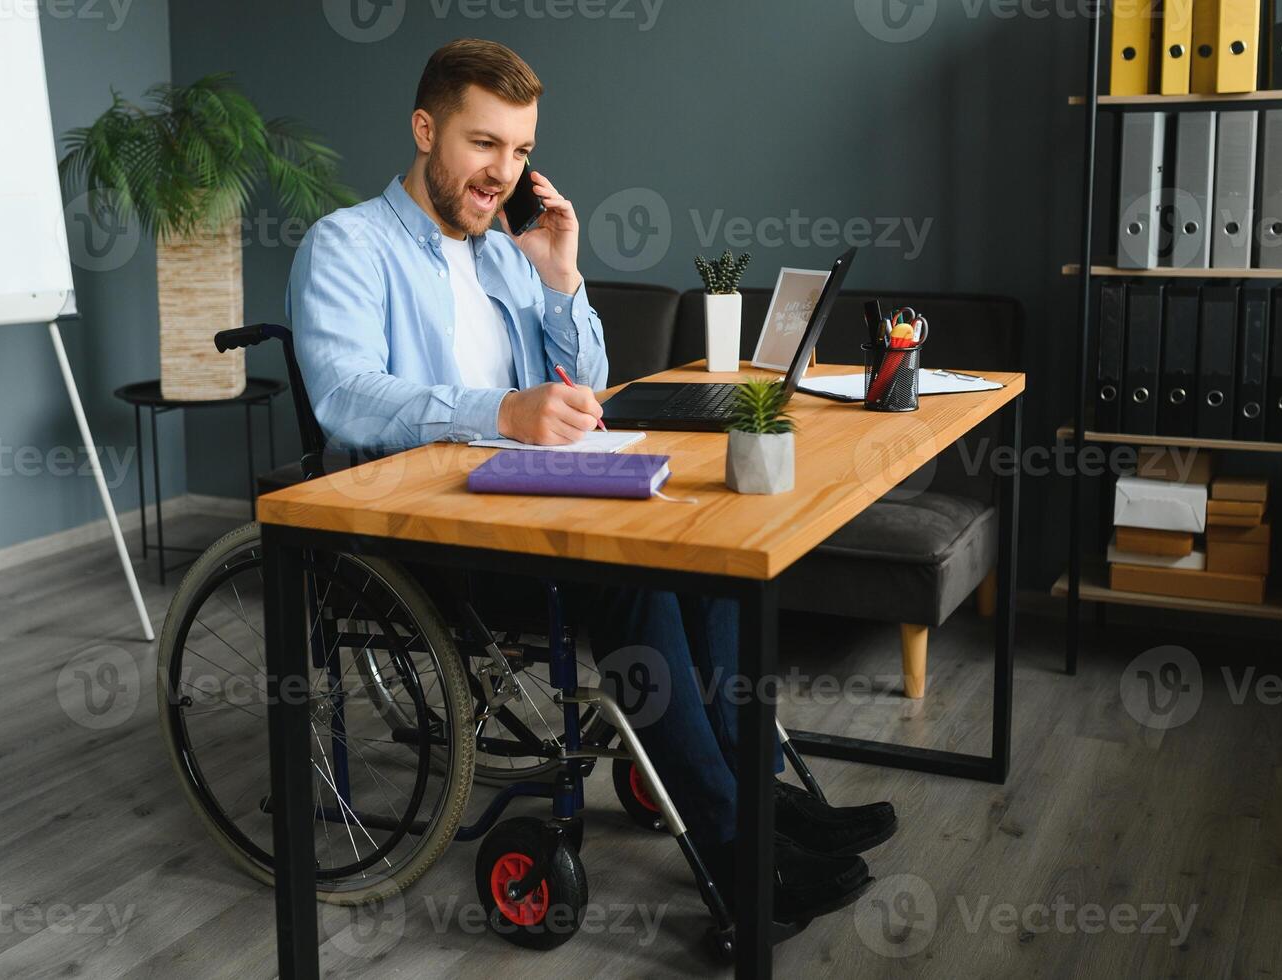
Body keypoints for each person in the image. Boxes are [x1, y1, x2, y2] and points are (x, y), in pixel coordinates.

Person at [287, 38, 896, 928]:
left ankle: (765, 805)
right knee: (638, 582)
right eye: (483, 143)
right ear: (426, 130)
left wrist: (563, 275)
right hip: (426, 528)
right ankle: (735, 850)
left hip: (531, 493)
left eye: (522, 150)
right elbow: (344, 395)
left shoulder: (505, 253)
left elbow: (591, 386)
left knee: (713, 556)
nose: (503, 171)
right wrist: (502, 410)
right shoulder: (346, 244)